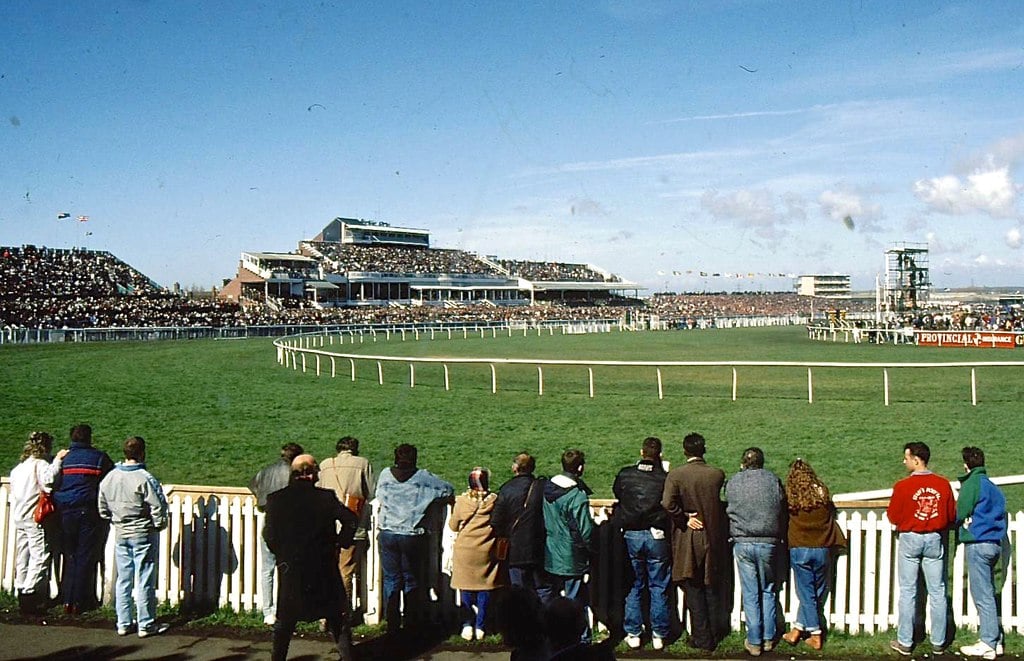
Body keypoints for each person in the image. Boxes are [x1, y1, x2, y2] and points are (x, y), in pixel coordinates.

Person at [263, 454, 358, 661]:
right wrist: (340, 542)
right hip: (323, 567)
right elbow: (350, 519)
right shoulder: (325, 498)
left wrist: (282, 554)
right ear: (310, 473)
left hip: (292, 569)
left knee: (285, 622)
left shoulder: (276, 499)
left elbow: (268, 535)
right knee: (336, 617)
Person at [375, 443, 454, 635]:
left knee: (392, 579)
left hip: (387, 532)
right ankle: (411, 621)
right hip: (411, 534)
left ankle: (392, 622)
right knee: (411, 579)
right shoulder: (423, 477)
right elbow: (448, 490)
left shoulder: (385, 474)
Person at [887, 441, 956, 656]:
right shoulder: (943, 484)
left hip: (910, 538)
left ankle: (905, 641)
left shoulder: (902, 486)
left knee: (908, 591)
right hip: (934, 537)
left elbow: (893, 516)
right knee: (938, 591)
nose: (904, 461)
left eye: (906, 457)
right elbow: (950, 515)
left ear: (916, 460)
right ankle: (939, 640)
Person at [97, 436, 170, 637]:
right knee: (145, 577)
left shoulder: (110, 477)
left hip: (121, 531)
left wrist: (112, 518)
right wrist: (159, 524)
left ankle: (123, 622)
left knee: (124, 578)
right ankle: (146, 623)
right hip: (142, 531)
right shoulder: (144, 477)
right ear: (142, 453)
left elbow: (102, 506)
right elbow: (158, 506)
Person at [661, 432, 727, 652]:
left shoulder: (677, 475)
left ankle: (702, 637)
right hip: (712, 535)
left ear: (685, 451)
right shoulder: (717, 475)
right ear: (703, 450)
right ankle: (713, 632)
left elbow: (667, 503)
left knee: (693, 587)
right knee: (709, 585)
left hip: (688, 537)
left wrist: (684, 517)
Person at [726, 447, 785, 657]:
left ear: (744, 462)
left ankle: (754, 640)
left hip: (743, 540)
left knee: (750, 593)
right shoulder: (772, 480)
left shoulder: (734, 481)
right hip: (768, 540)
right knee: (768, 589)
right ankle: (768, 638)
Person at [612, 436, 670, 650]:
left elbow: (617, 492)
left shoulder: (626, 474)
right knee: (658, 585)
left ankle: (634, 632)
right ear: (660, 455)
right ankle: (658, 634)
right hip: (656, 534)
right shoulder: (664, 477)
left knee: (634, 585)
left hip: (632, 534)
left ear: (641, 452)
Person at [781, 459, 846, 651]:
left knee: (806, 593)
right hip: (822, 548)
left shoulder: (791, 496)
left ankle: (815, 634)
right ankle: (797, 630)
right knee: (816, 592)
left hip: (800, 547)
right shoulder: (822, 493)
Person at [52, 423, 115, 614]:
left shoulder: (63, 459)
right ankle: (80, 600)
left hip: (64, 511)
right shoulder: (98, 458)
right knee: (85, 555)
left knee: (69, 555)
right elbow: (110, 480)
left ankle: (67, 598)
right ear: (89, 438)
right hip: (87, 510)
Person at [539, 449, 594, 643]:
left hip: (551, 550)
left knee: (552, 597)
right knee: (575, 600)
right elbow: (584, 530)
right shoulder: (576, 496)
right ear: (580, 468)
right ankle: (581, 639)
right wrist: (590, 550)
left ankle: (552, 634)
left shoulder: (547, 488)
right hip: (571, 554)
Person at [956, 447, 1007, 660]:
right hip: (995, 543)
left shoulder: (972, 483)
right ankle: (995, 641)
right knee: (989, 591)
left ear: (966, 464)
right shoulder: (993, 487)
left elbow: (961, 511)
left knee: (982, 594)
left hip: (978, 542)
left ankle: (986, 641)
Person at [9, 432, 66, 614]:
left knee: (23, 555)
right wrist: (57, 461)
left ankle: (21, 588)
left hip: (20, 516)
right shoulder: (40, 465)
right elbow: (48, 482)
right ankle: (29, 593)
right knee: (40, 556)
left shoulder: (18, 469)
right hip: (35, 517)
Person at [449, 467, 507, 640]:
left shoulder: (461, 501)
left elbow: (453, 525)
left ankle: (467, 624)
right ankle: (481, 626)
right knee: (485, 587)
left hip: (465, 550)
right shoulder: (494, 500)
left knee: (465, 586)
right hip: (486, 549)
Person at [316, 435, 374, 609]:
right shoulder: (362, 464)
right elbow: (370, 492)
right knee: (345, 569)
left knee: (326, 568)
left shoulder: (326, 464)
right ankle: (342, 611)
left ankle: (324, 612)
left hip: (327, 524)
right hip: (351, 522)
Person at [249, 442, 304, 626]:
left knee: (267, 569)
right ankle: (286, 609)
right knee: (288, 569)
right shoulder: (293, 474)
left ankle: (268, 611)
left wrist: (261, 499)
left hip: (269, 520)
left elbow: (253, 485)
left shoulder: (266, 471)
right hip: (288, 523)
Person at [491, 452, 545, 593]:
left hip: (514, 549)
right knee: (542, 590)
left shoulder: (506, 489)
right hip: (539, 547)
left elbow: (496, 521)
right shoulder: (542, 487)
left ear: (515, 468)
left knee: (518, 592)